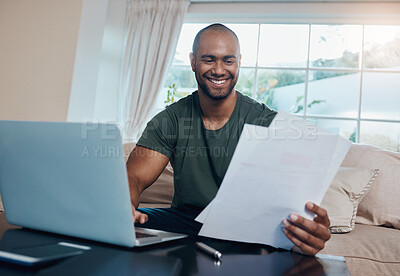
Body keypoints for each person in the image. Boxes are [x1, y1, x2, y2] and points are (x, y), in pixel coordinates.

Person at [126, 23, 331, 256]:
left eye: (228, 60)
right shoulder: (170, 120)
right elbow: (133, 176)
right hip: (189, 221)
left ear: (239, 62)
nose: (219, 70)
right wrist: (126, 205)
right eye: (209, 59)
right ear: (193, 61)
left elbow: (293, 195)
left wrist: (308, 228)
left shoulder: (267, 122)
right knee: (129, 223)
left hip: (247, 228)